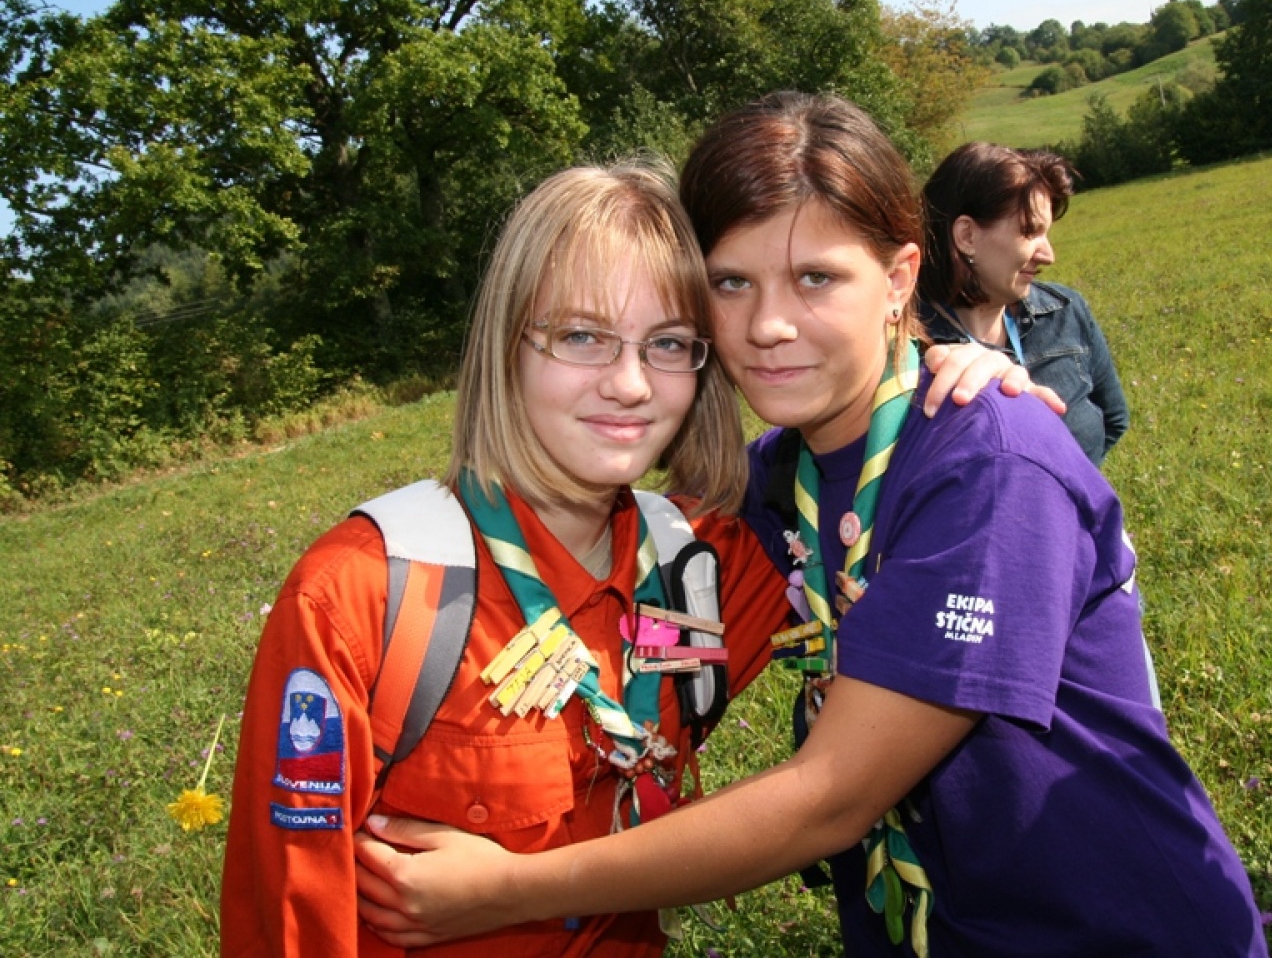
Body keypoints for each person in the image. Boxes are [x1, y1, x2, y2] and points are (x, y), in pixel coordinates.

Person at [354, 93, 1269, 956]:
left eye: (816, 278)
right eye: (732, 283)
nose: (769, 325)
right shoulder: (777, 477)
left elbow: (830, 799)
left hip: (1115, 926)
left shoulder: (990, 461)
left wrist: (509, 886)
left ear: (899, 276)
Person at [219, 159, 1031, 958]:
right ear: (506, 346)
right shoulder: (364, 598)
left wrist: (960, 376)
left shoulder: (712, 562)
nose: (631, 385)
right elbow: (286, 921)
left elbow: (874, 474)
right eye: (580, 336)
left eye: (670, 344)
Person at [919, 142, 1129, 465]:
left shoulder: (1067, 313)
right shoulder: (905, 347)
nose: (1048, 255)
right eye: (1030, 232)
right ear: (967, 236)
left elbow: (1113, 421)